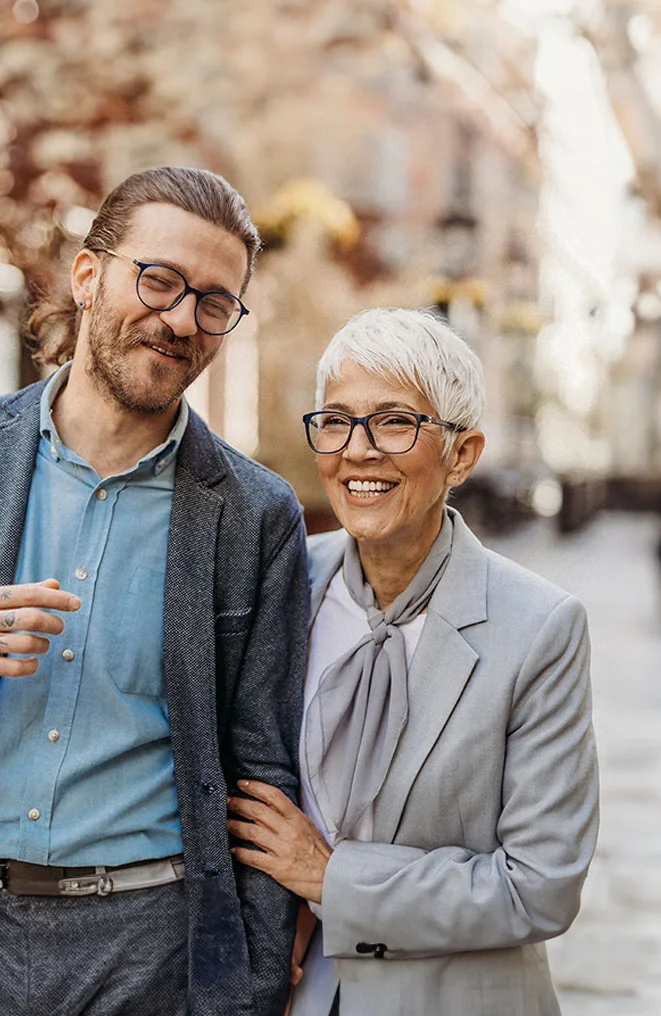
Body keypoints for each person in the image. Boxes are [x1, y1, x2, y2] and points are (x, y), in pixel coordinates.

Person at [226, 307, 599, 1016]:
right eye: (336, 421)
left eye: (395, 422)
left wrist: (334, 878)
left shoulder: (540, 628)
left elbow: (540, 886)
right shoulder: (283, 586)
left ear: (462, 454)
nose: (357, 451)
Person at [0, 166, 307, 1016]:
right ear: (89, 276)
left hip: (154, 950)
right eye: (160, 280)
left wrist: (249, 976)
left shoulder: (256, 514)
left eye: (213, 302)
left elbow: (263, 765)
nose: (180, 319)